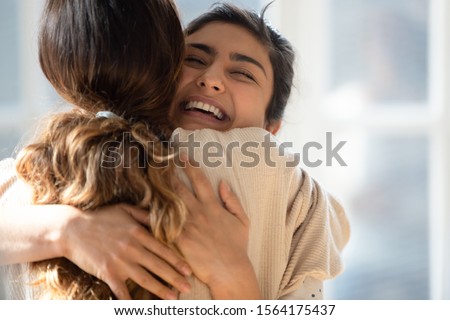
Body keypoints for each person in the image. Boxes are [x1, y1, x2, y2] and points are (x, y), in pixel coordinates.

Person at [0, 2, 350, 300]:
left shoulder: (299, 202)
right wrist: (68, 229)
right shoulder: (66, 157)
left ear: (271, 128)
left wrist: (232, 274)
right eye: (195, 59)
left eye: (242, 73)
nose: (211, 78)